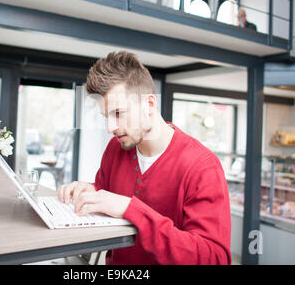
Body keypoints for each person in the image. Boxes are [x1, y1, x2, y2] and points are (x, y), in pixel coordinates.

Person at [57, 51, 231, 265]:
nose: (110, 128)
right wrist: (89, 190)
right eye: (106, 117)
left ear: (149, 104)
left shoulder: (202, 167)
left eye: (118, 113)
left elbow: (214, 258)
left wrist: (130, 209)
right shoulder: (115, 147)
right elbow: (109, 193)